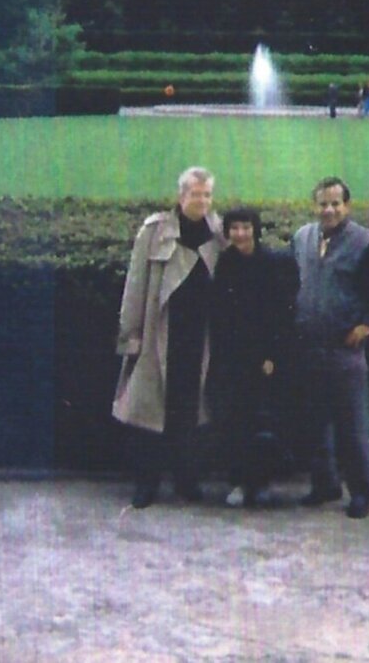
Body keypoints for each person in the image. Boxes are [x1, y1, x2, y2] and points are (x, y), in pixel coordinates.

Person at [112, 166, 225, 508]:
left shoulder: (218, 232)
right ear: (181, 196)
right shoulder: (154, 230)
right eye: (195, 194)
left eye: (207, 194)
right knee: (149, 415)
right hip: (158, 335)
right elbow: (135, 284)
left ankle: (186, 480)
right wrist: (129, 335)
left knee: (189, 413)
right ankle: (146, 483)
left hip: (199, 338)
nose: (201, 201)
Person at [290, 176, 369, 519]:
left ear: (347, 206)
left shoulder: (368, 244)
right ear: (314, 205)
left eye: (336, 203)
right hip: (309, 346)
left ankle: (361, 493)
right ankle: (324, 484)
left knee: (352, 425)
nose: (329, 210)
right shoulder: (302, 238)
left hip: (344, 351)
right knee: (314, 423)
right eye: (323, 203)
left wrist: (368, 324)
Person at [210, 207, 298, 508]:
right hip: (234, 358)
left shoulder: (273, 263)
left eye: (245, 228)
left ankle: (260, 483)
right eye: (234, 228)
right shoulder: (225, 264)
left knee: (262, 421)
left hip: (264, 360)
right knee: (234, 423)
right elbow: (220, 314)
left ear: (255, 230)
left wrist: (272, 354)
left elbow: (282, 313)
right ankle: (237, 482)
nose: (240, 234)